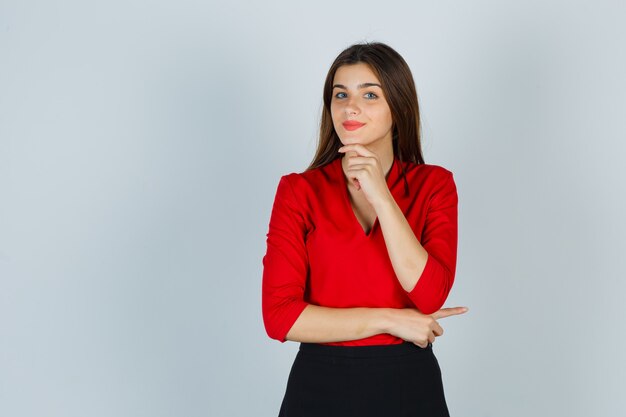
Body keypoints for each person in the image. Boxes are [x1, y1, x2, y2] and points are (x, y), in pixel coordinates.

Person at [261, 41, 468, 417]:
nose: (350, 107)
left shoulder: (434, 185)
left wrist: (382, 197)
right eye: (340, 94)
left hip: (409, 386)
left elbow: (429, 295)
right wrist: (390, 319)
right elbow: (280, 318)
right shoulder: (298, 191)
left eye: (369, 94)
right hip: (318, 388)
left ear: (398, 107)